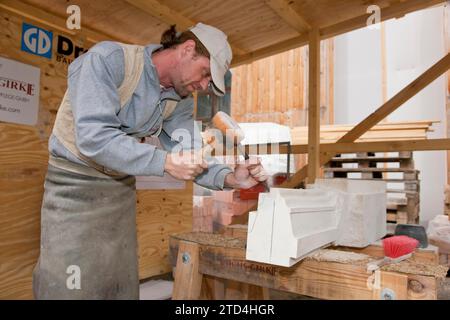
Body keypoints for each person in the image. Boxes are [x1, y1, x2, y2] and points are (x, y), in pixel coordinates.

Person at [32, 23, 267, 299]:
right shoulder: (109, 60)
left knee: (118, 284)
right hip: (72, 184)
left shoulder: (177, 100)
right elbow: (95, 137)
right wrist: (166, 162)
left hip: (119, 189)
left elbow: (192, 153)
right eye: (205, 74)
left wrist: (231, 177)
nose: (204, 86)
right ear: (187, 49)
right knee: (67, 283)